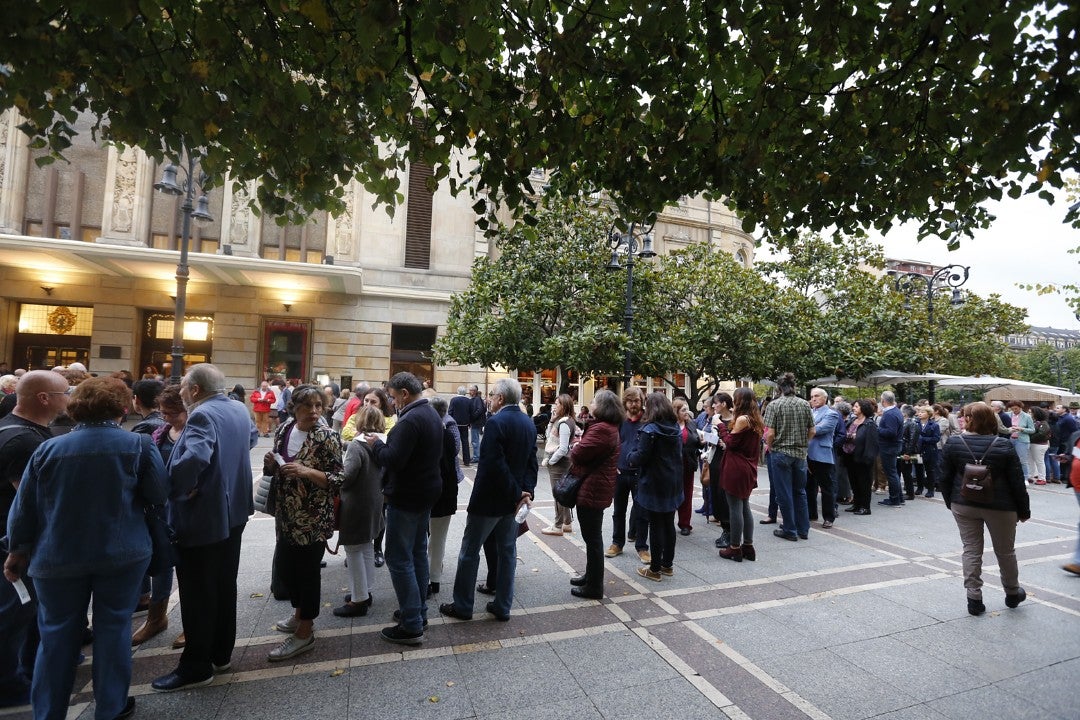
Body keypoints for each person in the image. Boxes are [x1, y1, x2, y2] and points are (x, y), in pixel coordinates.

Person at [5, 376, 167, 720]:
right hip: (122, 553)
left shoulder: (47, 449)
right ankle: (110, 708)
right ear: (121, 407)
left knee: (55, 635)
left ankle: (48, 713)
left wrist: (17, 550)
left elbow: (24, 509)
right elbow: (158, 494)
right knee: (114, 629)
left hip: (57, 555)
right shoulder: (138, 445)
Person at [151, 363, 259, 692]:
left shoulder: (202, 414)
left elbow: (195, 456)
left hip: (204, 517)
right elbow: (251, 438)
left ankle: (197, 665)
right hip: (234, 512)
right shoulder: (238, 408)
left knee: (197, 591)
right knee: (224, 584)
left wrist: (177, 488)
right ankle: (220, 654)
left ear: (195, 390)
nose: (181, 392)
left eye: (184, 386)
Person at [0, 371, 71, 709]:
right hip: (15, 543)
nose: (69, 398)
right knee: (15, 611)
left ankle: (27, 669)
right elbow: (31, 502)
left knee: (25, 611)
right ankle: (8, 684)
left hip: (15, 539)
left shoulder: (15, 429)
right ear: (44, 398)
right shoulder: (24, 441)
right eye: (65, 392)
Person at [440, 378, 537, 622]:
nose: (490, 399)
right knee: (507, 553)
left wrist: (518, 493)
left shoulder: (495, 422)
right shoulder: (527, 422)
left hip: (490, 501)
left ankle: (463, 606)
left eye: (492, 395)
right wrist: (525, 491)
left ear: (501, 398)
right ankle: (503, 606)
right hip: (512, 503)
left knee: (469, 552)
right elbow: (531, 463)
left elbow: (494, 464)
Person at [263, 385, 343, 661]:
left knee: (307, 574)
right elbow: (277, 465)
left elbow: (338, 479)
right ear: (294, 408)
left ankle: (305, 632)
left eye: (318, 405)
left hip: (312, 518)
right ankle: (299, 615)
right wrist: (271, 463)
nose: (314, 411)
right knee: (287, 569)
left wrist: (307, 471)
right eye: (307, 406)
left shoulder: (327, 437)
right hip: (285, 515)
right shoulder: (284, 429)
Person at [365, 372, 444, 645]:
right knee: (418, 553)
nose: (391, 401)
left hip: (408, 496)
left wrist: (376, 444)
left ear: (404, 394)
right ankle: (418, 612)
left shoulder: (409, 420)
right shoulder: (430, 413)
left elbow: (393, 459)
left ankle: (411, 624)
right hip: (425, 493)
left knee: (399, 558)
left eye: (392, 396)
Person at [940, 402, 1030, 615]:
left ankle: (974, 599)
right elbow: (1017, 481)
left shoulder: (954, 443)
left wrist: (951, 502)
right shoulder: (1003, 445)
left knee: (971, 549)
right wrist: (1024, 511)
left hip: (964, 504)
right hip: (1000, 506)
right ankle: (1012, 593)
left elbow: (944, 477)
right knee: (1005, 551)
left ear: (968, 419)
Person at [132, 385, 187, 647]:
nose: (166, 418)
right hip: (162, 510)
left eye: (172, 413)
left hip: (188, 509)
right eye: (163, 412)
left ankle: (191, 621)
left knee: (190, 567)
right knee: (161, 563)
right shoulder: (161, 433)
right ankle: (156, 617)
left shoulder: (195, 432)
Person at [567, 390, 622, 599]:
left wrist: (575, 445)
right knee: (592, 537)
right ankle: (590, 576)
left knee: (593, 539)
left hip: (593, 488)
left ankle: (594, 586)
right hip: (596, 487)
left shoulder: (602, 429)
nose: (591, 404)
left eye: (594, 401)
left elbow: (578, 454)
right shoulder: (607, 427)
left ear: (602, 406)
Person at [334, 406, 388, 617]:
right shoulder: (383, 443)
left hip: (356, 504)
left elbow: (347, 477)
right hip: (375, 501)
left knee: (354, 550)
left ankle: (358, 600)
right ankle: (366, 591)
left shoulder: (357, 446)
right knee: (366, 547)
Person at [626, 392, 682, 582]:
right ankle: (667, 565)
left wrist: (629, 456)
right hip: (672, 482)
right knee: (668, 524)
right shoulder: (674, 427)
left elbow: (640, 457)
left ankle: (655, 569)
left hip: (653, 483)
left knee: (656, 525)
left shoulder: (650, 430)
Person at [763, 374, 815, 541]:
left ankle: (789, 529)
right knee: (800, 492)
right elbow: (812, 431)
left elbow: (770, 433)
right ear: (794, 386)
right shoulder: (804, 404)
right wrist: (803, 443)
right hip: (800, 454)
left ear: (779, 388)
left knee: (783, 493)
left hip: (781, 453)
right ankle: (803, 529)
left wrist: (770, 447)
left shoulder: (774, 405)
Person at [716, 388, 763, 561]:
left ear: (739, 400)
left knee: (735, 507)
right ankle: (748, 546)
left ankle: (735, 547)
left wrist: (720, 425)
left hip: (737, 467)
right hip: (748, 466)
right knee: (744, 506)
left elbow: (730, 442)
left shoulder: (743, 419)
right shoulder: (755, 419)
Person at [605, 387, 650, 563]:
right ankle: (617, 543)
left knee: (642, 511)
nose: (633, 404)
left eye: (636, 401)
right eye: (630, 401)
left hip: (640, 472)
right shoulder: (619, 420)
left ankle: (642, 547)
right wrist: (612, 465)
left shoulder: (647, 421)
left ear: (641, 401)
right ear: (625, 402)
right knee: (618, 510)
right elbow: (612, 444)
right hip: (620, 471)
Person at [425, 395, 460, 599]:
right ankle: (434, 578)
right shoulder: (447, 435)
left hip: (428, 493)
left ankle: (425, 580)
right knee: (439, 538)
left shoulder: (426, 434)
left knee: (422, 537)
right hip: (446, 493)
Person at [541, 394, 578, 536]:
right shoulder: (563, 421)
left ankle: (557, 526)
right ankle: (567, 523)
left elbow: (563, 448)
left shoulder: (564, 423)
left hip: (559, 463)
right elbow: (549, 436)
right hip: (561, 462)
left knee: (558, 495)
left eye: (557, 404)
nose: (554, 406)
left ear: (564, 405)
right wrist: (551, 421)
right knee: (562, 493)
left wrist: (551, 461)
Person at [806, 388, 839, 528]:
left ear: (825, 398)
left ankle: (829, 517)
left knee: (826, 488)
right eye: (812, 396)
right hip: (807, 454)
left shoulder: (831, 414)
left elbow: (819, 430)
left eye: (817, 396)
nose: (813, 399)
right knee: (809, 487)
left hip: (822, 455)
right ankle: (811, 513)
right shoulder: (809, 412)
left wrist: (807, 428)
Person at [842, 399, 879, 516]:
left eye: (856, 406)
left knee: (864, 483)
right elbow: (844, 433)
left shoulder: (869, 424)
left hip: (863, 457)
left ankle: (865, 507)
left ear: (863, 408)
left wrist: (868, 458)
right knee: (854, 482)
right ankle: (857, 504)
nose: (853, 408)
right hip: (850, 456)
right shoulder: (852, 420)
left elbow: (872, 443)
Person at [672, 397, 702, 536]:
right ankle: (668, 521)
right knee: (671, 494)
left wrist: (701, 442)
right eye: (683, 410)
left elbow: (696, 441)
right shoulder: (670, 425)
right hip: (672, 466)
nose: (687, 412)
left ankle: (685, 524)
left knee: (687, 494)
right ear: (676, 411)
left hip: (688, 464)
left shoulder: (691, 424)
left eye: (687, 409)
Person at [876, 391, 905, 507]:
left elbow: (891, 432)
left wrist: (877, 429)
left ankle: (894, 499)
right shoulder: (895, 411)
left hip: (889, 447)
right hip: (893, 446)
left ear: (883, 401)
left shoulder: (890, 414)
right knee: (894, 473)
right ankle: (899, 498)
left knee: (891, 473)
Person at [914, 405, 941, 498]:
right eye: (919, 412)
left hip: (930, 451)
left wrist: (922, 439)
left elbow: (936, 438)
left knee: (930, 470)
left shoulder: (934, 425)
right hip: (918, 451)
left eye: (923, 412)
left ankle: (930, 490)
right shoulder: (915, 423)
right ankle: (919, 488)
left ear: (929, 414)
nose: (920, 413)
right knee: (918, 470)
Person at [1006, 400, 1034, 483]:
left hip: (1022, 440)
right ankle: (1011, 477)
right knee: (1009, 459)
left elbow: (1032, 430)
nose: (1014, 410)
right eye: (1012, 409)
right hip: (1009, 439)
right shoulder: (1007, 415)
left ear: (1020, 407)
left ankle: (1025, 478)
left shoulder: (1027, 416)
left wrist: (1021, 429)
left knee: (1022, 460)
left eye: (1016, 409)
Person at [448, 387, 473, 466]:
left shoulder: (453, 400)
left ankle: (452, 459)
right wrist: (469, 422)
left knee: (454, 441)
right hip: (465, 424)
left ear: (458, 391)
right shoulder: (468, 401)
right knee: (465, 442)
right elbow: (471, 412)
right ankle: (467, 460)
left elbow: (450, 411)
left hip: (455, 424)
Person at [1028, 406, 1051, 486]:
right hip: (1032, 444)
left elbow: (1041, 434)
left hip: (1039, 444)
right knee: (1030, 461)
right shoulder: (1034, 422)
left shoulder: (1043, 423)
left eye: (1030, 412)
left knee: (1039, 461)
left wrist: (1030, 438)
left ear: (1036, 413)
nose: (1029, 414)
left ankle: (1042, 478)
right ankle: (1031, 476)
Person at [468, 384, 486, 460]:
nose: (469, 392)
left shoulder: (477, 399)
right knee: (475, 440)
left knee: (475, 440)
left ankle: (476, 457)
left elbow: (479, 410)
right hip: (475, 422)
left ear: (474, 391)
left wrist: (472, 417)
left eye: (471, 390)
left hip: (476, 422)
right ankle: (476, 455)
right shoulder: (475, 399)